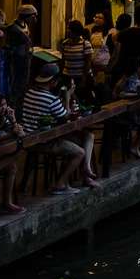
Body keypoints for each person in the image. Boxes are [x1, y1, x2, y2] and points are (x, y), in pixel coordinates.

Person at [20, 58, 98, 192]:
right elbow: (65, 117)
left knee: (88, 136)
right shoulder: (51, 99)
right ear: (53, 81)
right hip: (44, 140)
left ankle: (86, 171)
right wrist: (68, 97)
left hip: (30, 136)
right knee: (80, 152)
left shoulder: (29, 93)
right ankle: (61, 184)